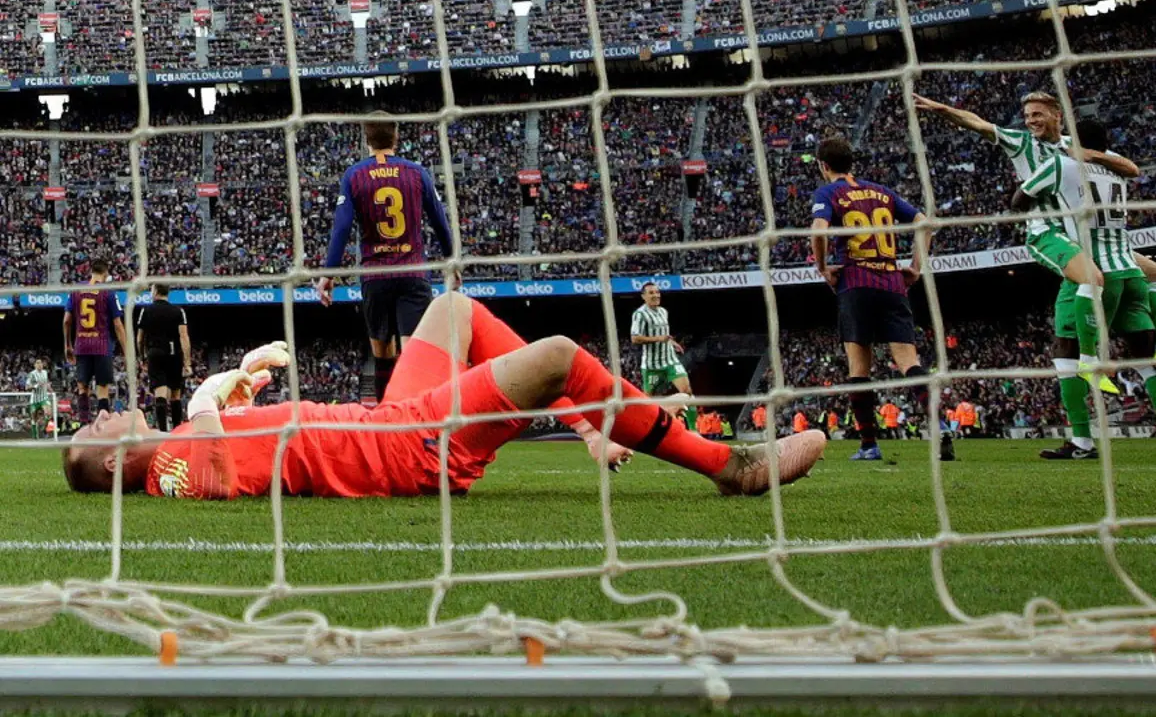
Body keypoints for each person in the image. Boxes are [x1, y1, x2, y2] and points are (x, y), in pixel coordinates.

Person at [61, 292, 826, 499]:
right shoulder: (165, 469)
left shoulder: (178, 456)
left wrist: (244, 392)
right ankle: (729, 464)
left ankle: (596, 428)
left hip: (384, 421)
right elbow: (207, 427)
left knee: (452, 309)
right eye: (95, 427)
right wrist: (233, 379)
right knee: (557, 355)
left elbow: (229, 438)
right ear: (109, 464)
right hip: (406, 449)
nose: (100, 411)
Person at [913, 91, 1156, 377]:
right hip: (1051, 233)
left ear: (1057, 115)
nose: (1031, 121)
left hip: (1090, 235)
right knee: (1092, 281)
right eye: (1028, 116)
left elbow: (1131, 168)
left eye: (1038, 114)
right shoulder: (1021, 143)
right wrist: (941, 109)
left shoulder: (1075, 144)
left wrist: (1091, 155)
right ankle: (1089, 358)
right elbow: (976, 122)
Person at [1011, 120, 1156, 460]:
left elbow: (1018, 199)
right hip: (1130, 270)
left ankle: (1082, 440)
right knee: (1147, 361)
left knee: (1066, 355)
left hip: (1093, 269)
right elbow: (1130, 168)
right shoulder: (1116, 167)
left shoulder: (1062, 163)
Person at [807, 136, 954, 463]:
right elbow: (925, 223)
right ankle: (940, 423)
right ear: (851, 163)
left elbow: (818, 231)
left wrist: (822, 269)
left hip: (855, 281)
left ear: (823, 166)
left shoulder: (829, 192)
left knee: (859, 368)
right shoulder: (882, 192)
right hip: (892, 282)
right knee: (909, 362)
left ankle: (870, 445)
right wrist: (916, 266)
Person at [317, 111, 455, 403]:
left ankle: (386, 421)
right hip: (413, 273)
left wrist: (328, 274)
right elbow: (441, 221)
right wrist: (451, 261)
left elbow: (341, 228)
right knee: (413, 352)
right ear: (396, 137)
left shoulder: (354, 175)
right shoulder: (417, 173)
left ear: (365, 140)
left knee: (382, 354)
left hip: (375, 276)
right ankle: (419, 427)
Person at [63, 259, 128, 423]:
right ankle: (102, 427)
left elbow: (66, 321)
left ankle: (84, 425)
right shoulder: (108, 292)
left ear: (91, 271)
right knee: (102, 388)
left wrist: (67, 345)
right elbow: (118, 325)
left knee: (82, 387)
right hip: (102, 346)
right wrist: (127, 352)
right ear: (106, 274)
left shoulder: (76, 290)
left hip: (82, 345)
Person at [630, 282, 695, 430]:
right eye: (651, 293)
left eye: (657, 292)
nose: (656, 295)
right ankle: (643, 428)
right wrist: (659, 339)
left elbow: (664, 335)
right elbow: (635, 338)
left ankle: (693, 430)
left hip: (670, 361)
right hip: (652, 366)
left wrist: (672, 342)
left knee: (687, 392)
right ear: (643, 296)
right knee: (647, 399)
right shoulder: (640, 314)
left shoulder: (663, 312)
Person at [137, 284, 192, 432]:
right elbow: (184, 336)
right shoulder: (178, 311)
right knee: (175, 395)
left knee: (160, 393)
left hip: (155, 353)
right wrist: (187, 362)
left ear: (155, 292)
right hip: (174, 353)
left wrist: (141, 356)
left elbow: (139, 339)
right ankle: (177, 431)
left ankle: (162, 432)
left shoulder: (146, 311)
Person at [26, 359, 52, 440]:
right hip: (34, 400)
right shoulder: (32, 374)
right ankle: (35, 437)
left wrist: (49, 388)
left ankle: (44, 429)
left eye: (41, 363)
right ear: (35, 365)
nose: (39, 364)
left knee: (48, 414)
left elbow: (46, 382)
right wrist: (36, 385)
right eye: (37, 363)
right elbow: (27, 387)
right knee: (34, 419)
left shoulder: (45, 372)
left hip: (44, 398)